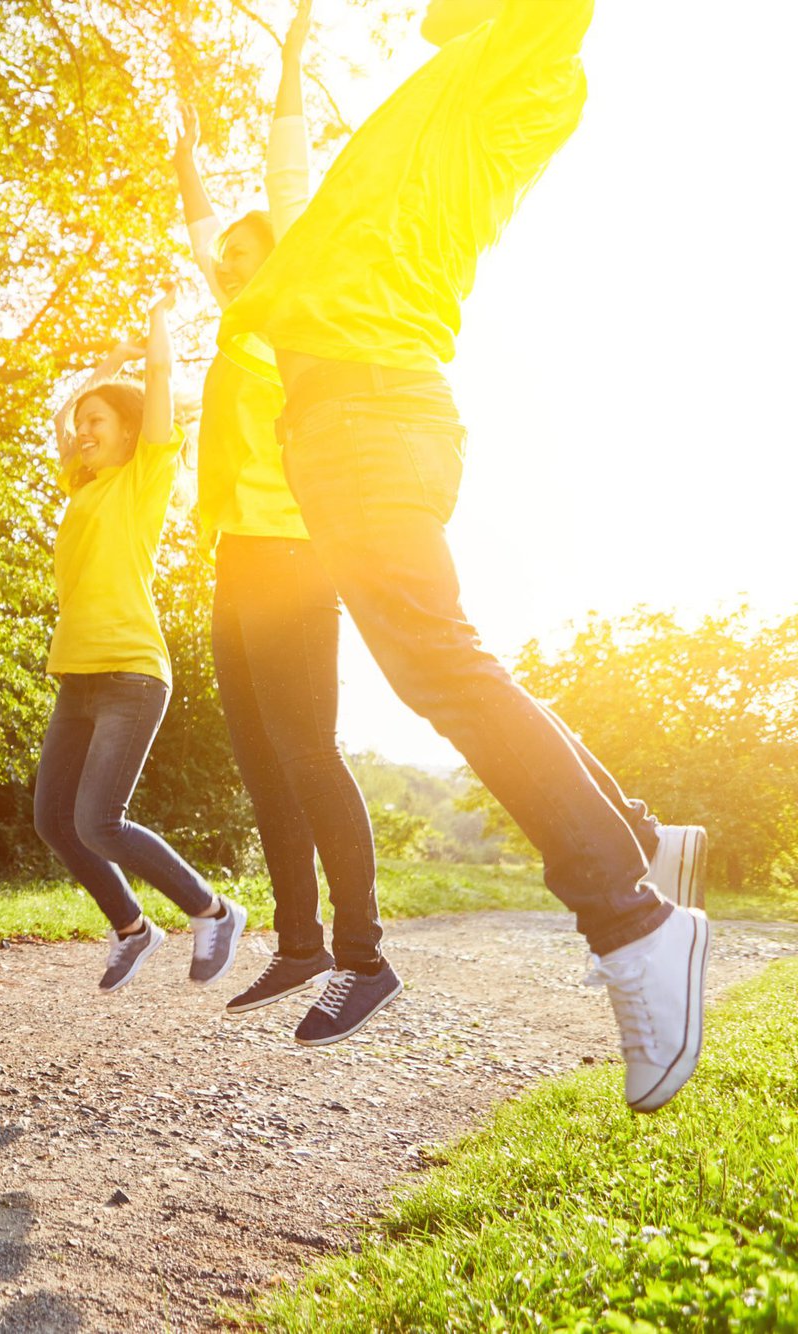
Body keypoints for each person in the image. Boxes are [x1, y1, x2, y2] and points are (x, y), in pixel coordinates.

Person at [219, 0, 708, 1111]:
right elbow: (289, 181)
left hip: (374, 407)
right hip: (336, 418)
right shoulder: (417, 102)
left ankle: (630, 918)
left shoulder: (517, 69)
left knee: (435, 661)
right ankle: (639, 840)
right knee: (433, 659)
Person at [173, 0, 400, 1045]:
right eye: (222, 262)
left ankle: (363, 954)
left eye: (245, 255)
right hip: (233, 559)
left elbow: (286, 187)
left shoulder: (298, 309)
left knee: (306, 749)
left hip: (300, 555)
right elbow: (202, 229)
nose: (227, 265)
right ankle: (299, 941)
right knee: (261, 757)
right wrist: (182, 145)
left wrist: (294, 60)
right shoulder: (232, 316)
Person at [34, 286, 247, 993]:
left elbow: (155, 391)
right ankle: (133, 927)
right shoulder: (83, 487)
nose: (82, 431)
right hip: (78, 677)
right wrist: (101, 369)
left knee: (98, 821)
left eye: (99, 422)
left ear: (129, 433)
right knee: (54, 821)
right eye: (82, 425)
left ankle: (213, 910)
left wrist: (153, 333)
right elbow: (66, 418)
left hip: (130, 673)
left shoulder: (144, 477)